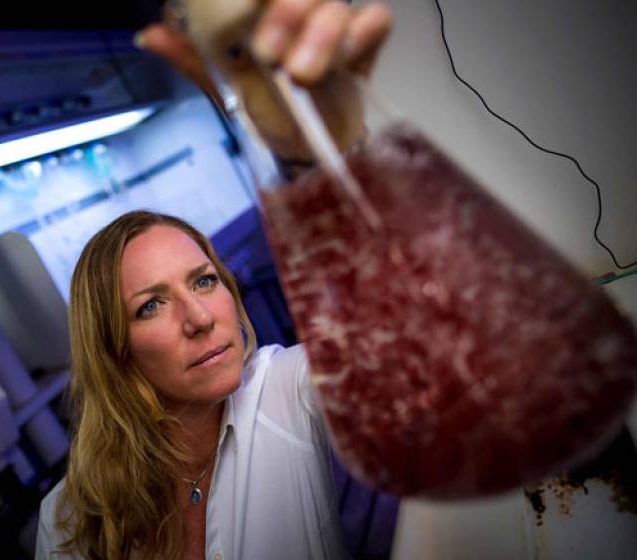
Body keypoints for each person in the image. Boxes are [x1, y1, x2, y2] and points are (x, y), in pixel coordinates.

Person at [35, 2, 393, 559]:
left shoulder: (288, 391)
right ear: (113, 348)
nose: (201, 318)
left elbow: (401, 337)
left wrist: (319, 158)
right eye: (151, 306)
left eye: (203, 282)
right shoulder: (68, 522)